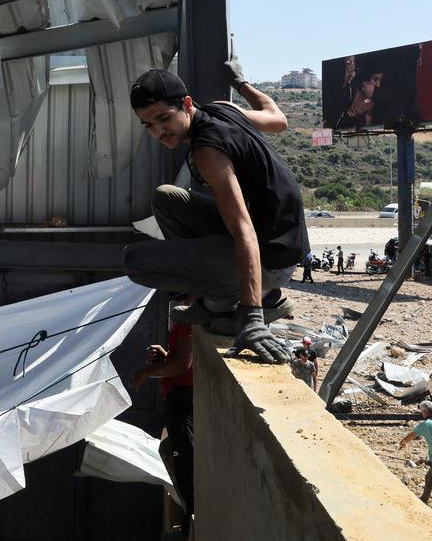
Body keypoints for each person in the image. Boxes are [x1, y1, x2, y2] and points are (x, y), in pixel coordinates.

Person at [122, 64, 308, 365]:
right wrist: (242, 83)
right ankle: (208, 301)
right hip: (280, 240)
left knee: (134, 262)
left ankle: (256, 300)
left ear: (186, 104)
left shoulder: (206, 152)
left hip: (271, 258)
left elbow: (243, 231)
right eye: (148, 125)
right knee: (166, 198)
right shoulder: (224, 110)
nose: (158, 132)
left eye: (163, 119)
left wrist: (253, 319)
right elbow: (277, 119)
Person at [132, 317, 195, 533]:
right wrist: (165, 357)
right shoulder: (184, 316)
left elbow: (182, 365)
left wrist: (146, 372)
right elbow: (181, 362)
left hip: (184, 401)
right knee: (179, 458)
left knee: (185, 459)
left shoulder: (190, 318)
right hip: (179, 398)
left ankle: (191, 516)